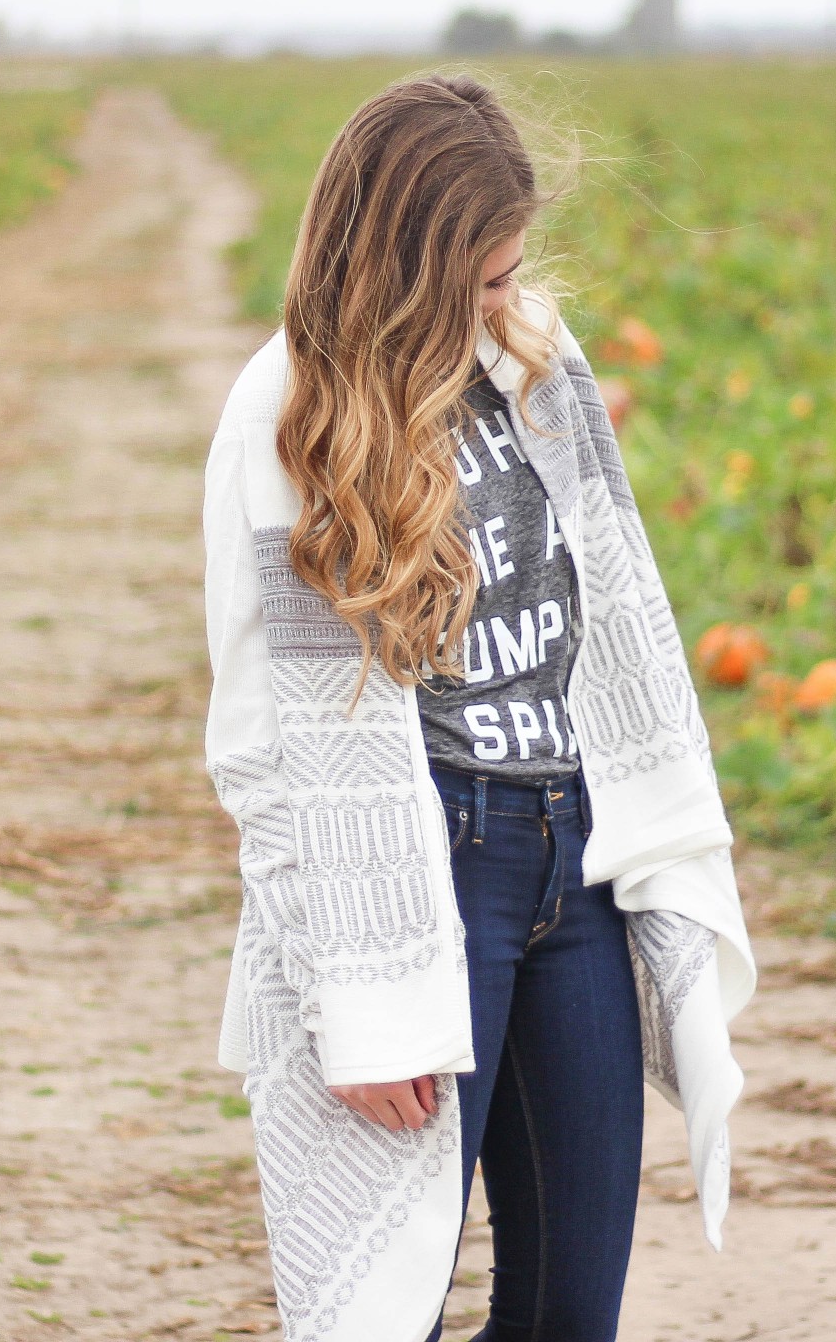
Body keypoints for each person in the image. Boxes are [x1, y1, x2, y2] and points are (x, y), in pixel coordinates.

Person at [200, 73, 756, 1342]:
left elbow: (617, 615)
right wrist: (351, 991)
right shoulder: (285, 411)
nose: (507, 304)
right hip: (427, 875)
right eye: (480, 284)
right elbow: (267, 749)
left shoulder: (533, 363)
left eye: (509, 274)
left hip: (575, 859)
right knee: (390, 1299)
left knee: (570, 1305)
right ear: (397, 264)